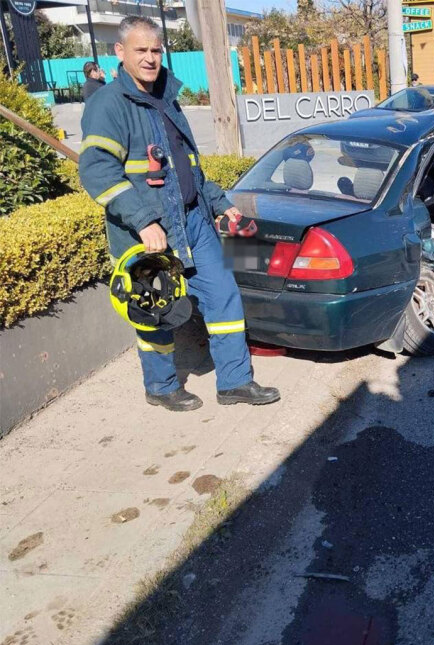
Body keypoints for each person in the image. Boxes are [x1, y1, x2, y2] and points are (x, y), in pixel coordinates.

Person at [78, 16, 280, 412]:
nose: (150, 58)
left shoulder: (167, 98)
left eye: (155, 50)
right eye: (141, 50)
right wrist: (143, 221)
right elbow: (97, 170)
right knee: (156, 309)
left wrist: (221, 204)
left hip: (193, 221)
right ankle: (161, 386)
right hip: (145, 233)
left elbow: (189, 169)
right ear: (120, 52)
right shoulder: (108, 103)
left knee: (223, 295)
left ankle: (235, 382)